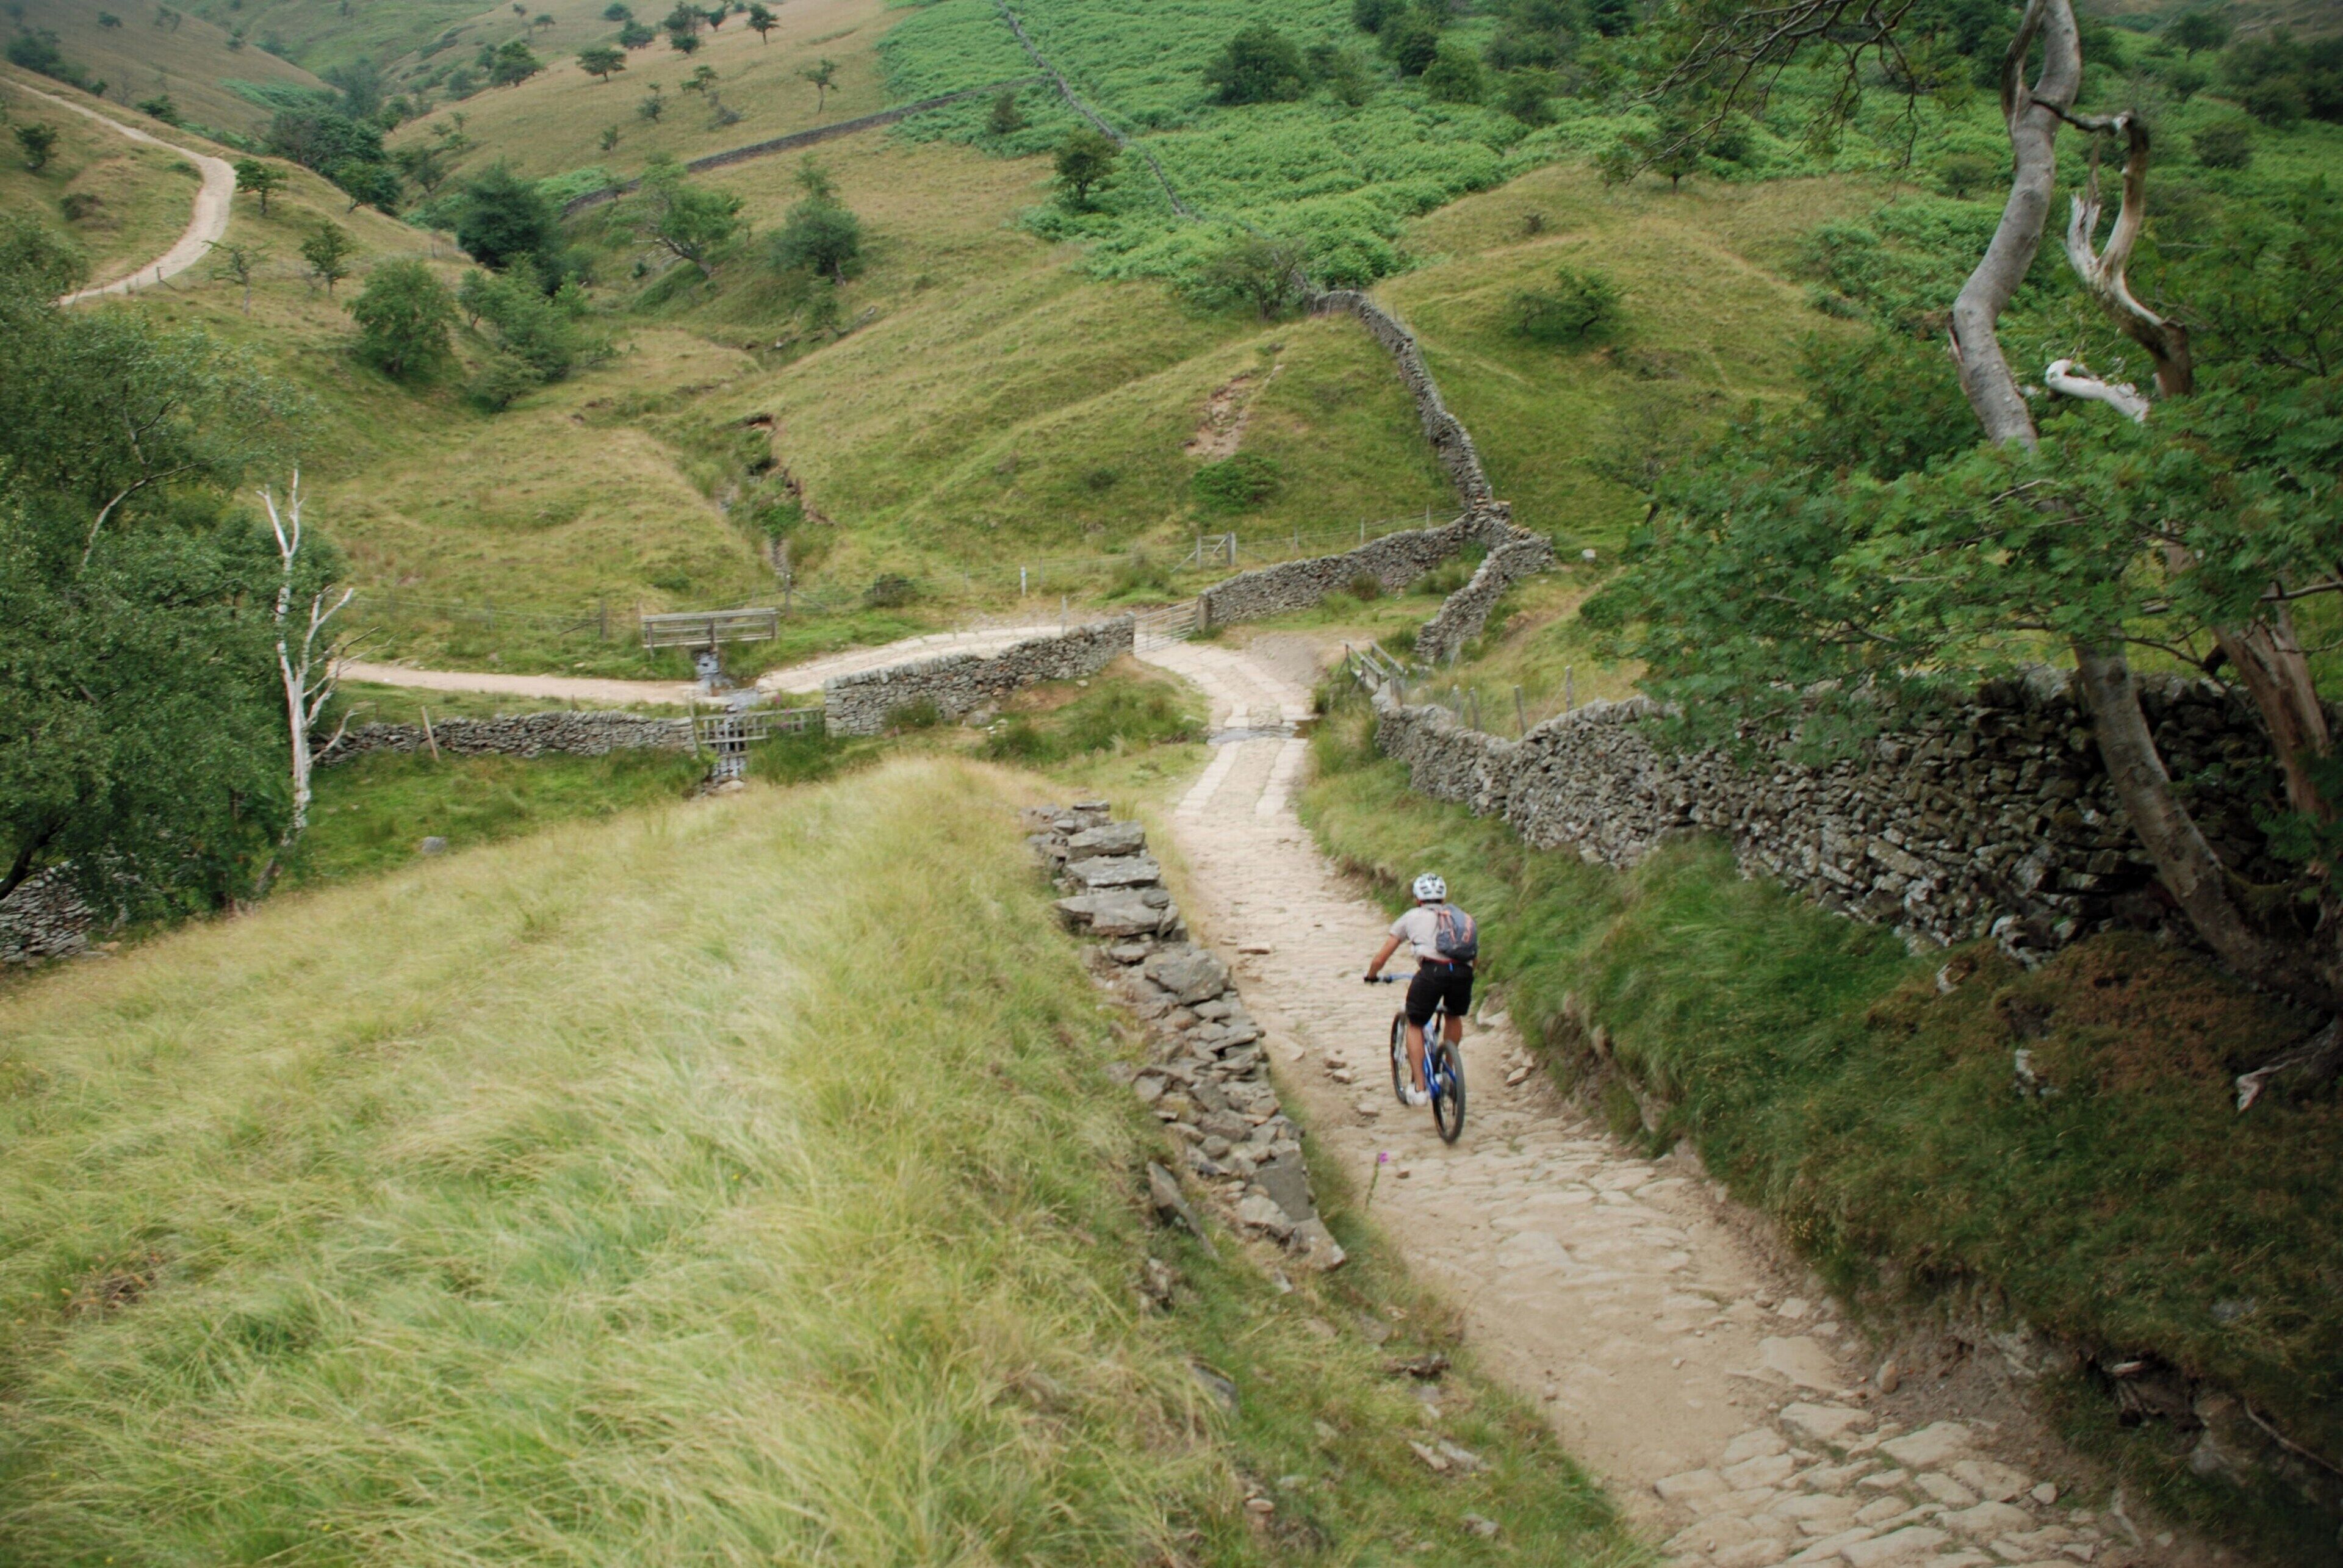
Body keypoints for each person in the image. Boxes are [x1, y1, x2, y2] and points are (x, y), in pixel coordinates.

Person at [1364, 873, 1477, 1107]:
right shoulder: (1462, 917)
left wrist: (1372, 975)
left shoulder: (1411, 917)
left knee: (1415, 1022)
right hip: (1463, 973)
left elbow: (1382, 956)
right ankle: (1448, 1068)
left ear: (1418, 899)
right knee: (1453, 1015)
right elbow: (1474, 957)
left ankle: (1421, 1088)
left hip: (1432, 973)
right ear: (1444, 897)